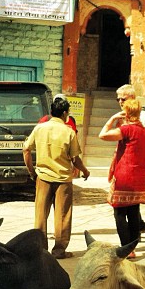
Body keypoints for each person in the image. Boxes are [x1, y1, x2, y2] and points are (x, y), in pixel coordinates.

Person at [23, 96, 90, 259]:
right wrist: (85, 171)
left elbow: (26, 150)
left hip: (43, 177)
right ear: (65, 113)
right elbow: (75, 159)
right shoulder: (68, 132)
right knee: (62, 216)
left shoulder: (39, 128)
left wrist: (32, 171)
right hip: (63, 180)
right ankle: (59, 251)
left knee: (40, 215)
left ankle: (40, 250)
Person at [99, 98, 145, 258]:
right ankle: (133, 245)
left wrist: (112, 119)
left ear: (125, 113)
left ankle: (127, 249)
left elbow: (102, 135)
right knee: (133, 212)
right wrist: (140, 165)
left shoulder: (126, 130)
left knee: (119, 214)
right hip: (139, 177)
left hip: (124, 176)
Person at [109, 84, 145, 232]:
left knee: (124, 210)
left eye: (124, 99)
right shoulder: (125, 117)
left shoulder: (141, 119)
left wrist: (140, 164)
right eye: (118, 99)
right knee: (132, 208)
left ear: (132, 99)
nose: (121, 102)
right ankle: (135, 235)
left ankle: (130, 242)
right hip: (126, 165)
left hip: (133, 167)